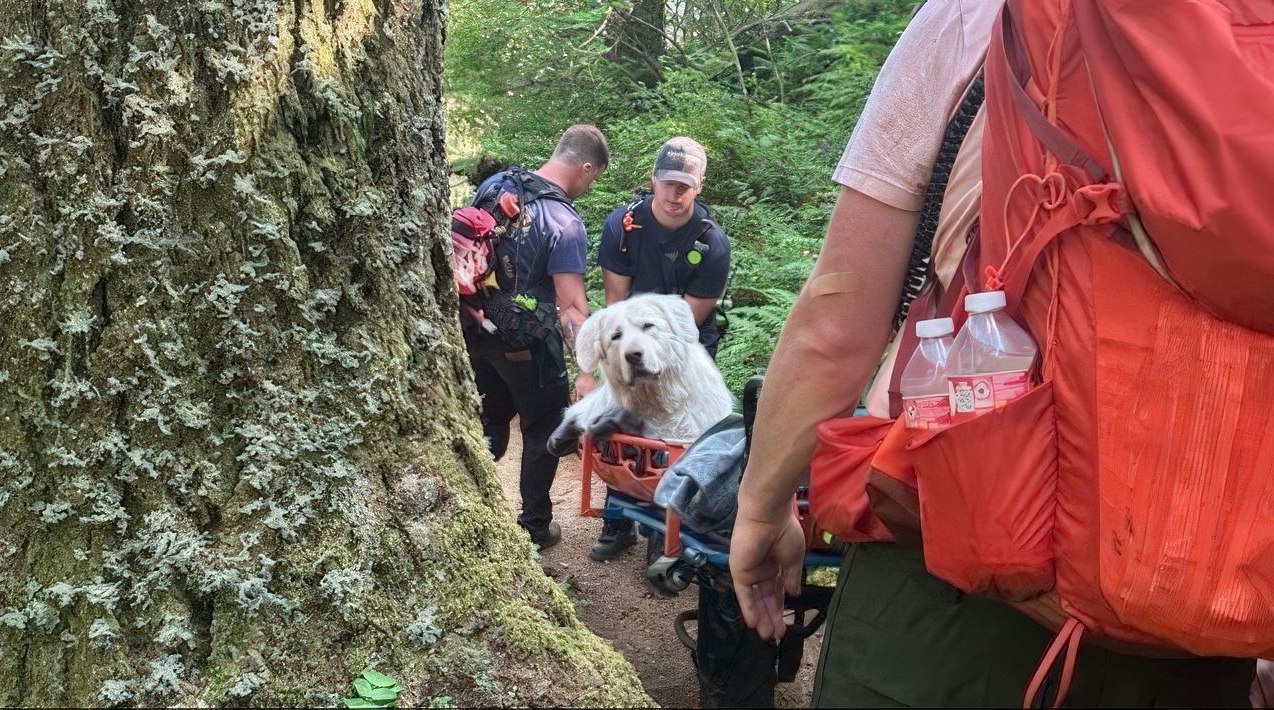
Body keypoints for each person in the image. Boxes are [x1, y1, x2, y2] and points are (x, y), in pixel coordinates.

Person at [727, 1, 1255, 706]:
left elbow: (836, 324)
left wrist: (761, 509)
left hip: (957, 577)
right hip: (1211, 602)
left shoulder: (976, 16)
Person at [585, 136, 732, 561]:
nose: (674, 194)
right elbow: (617, 307)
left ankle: (665, 535)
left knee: (677, 438)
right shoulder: (623, 227)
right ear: (653, 179)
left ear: (698, 186)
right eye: (667, 183)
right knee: (621, 428)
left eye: (684, 186)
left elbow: (686, 325)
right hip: (631, 338)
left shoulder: (712, 244)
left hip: (685, 348)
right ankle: (617, 521)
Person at [465, 124, 608, 550]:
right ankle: (535, 525)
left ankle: (468, 510)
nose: (588, 186)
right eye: (593, 178)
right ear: (585, 167)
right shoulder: (565, 222)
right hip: (526, 343)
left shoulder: (495, 184)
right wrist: (588, 367)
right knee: (544, 424)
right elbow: (571, 308)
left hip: (474, 327)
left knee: (488, 418)